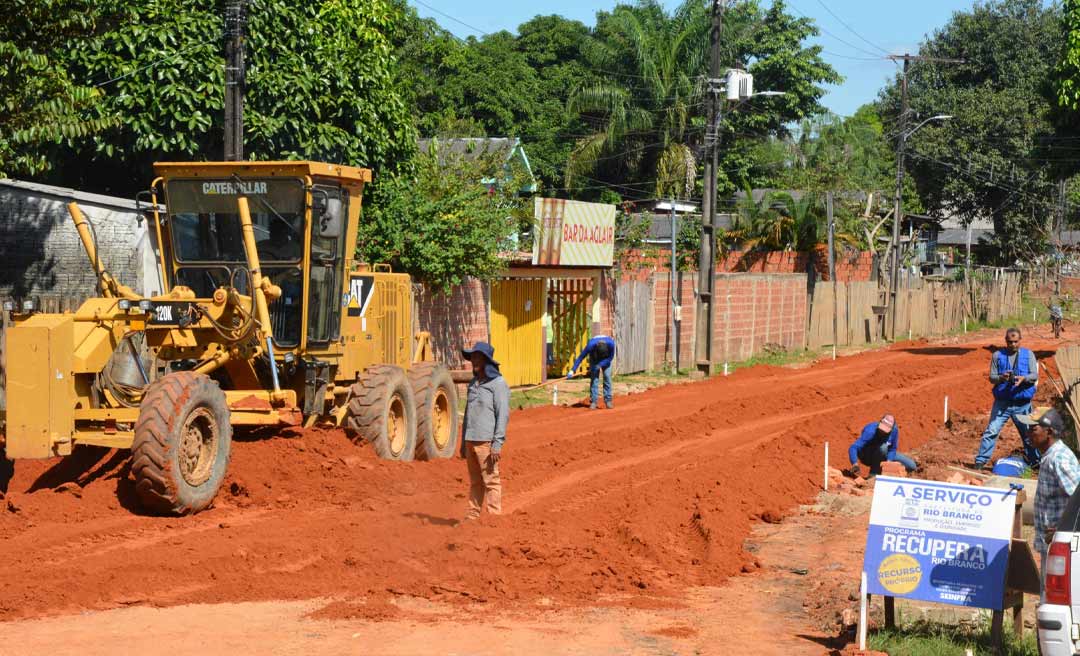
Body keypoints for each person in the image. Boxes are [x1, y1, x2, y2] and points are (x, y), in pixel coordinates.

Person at [1021, 407, 1080, 584]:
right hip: (1053, 545)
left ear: (1049, 432)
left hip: (1063, 547)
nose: (1029, 433)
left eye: (1034, 428)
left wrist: (1065, 528)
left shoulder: (1059, 459)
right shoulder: (1050, 456)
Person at [970, 327, 1040, 470]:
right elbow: (992, 377)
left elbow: (1035, 375)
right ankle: (980, 462)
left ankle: (1036, 462)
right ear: (1005, 341)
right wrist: (1001, 378)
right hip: (1002, 403)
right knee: (992, 431)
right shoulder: (997, 355)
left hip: (1022, 404)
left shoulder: (1029, 355)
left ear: (1020, 340)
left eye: (1015, 341)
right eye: (1010, 342)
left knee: (1028, 435)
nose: (1013, 345)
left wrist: (1024, 379)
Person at [459, 341, 510, 520]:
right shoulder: (473, 383)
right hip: (470, 439)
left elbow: (502, 414)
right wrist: (463, 443)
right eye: (472, 357)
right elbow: (467, 413)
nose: (474, 361)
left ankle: (494, 519)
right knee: (475, 482)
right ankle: (472, 517)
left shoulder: (498, 384)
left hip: (486, 442)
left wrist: (497, 443)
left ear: (486, 360)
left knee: (491, 481)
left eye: (478, 357)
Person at [847, 414, 918, 477]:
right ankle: (873, 475)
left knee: (911, 466)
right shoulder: (870, 430)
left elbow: (892, 449)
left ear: (891, 429)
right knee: (883, 448)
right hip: (867, 455)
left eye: (885, 431)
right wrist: (855, 463)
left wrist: (889, 462)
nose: (882, 432)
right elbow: (853, 447)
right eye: (881, 430)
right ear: (879, 423)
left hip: (884, 453)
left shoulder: (894, 431)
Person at [568, 333, 616, 409]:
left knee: (607, 377)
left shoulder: (611, 344)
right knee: (594, 379)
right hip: (595, 358)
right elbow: (581, 357)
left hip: (606, 359)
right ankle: (593, 401)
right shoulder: (590, 345)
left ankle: (608, 400)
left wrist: (600, 364)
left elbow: (610, 357)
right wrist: (572, 370)